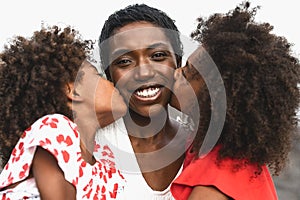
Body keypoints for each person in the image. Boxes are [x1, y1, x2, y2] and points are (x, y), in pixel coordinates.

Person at [169, 2, 300, 199]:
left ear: (211, 99)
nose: (175, 73)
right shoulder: (232, 159)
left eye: (187, 73)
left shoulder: (213, 187)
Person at [0, 25, 127, 199]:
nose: (112, 82)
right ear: (73, 91)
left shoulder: (106, 163)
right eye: (97, 75)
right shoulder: (54, 128)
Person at [96, 3, 194, 199]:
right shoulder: (91, 145)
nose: (144, 72)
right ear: (109, 75)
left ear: (178, 63)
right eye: (124, 61)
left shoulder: (203, 148)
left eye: (158, 56)